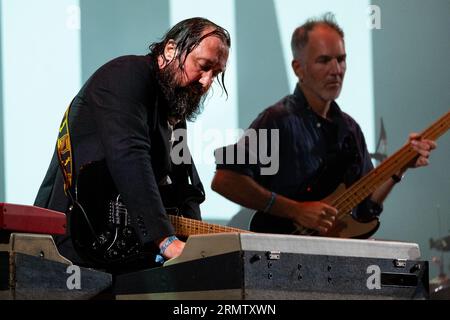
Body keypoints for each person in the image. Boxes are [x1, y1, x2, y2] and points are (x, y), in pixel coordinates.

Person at [211, 13, 436, 236]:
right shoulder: (276, 119)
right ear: (298, 68)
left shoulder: (350, 129)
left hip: (333, 259)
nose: (336, 70)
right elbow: (225, 179)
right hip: (281, 256)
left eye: (341, 59)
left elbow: (364, 208)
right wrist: (296, 211)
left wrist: (399, 169)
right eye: (324, 60)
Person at [34, 17, 230, 270]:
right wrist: (164, 240)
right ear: (171, 50)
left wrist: (200, 245)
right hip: (78, 245)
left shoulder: (173, 106)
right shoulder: (126, 74)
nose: (206, 82)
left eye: (216, 74)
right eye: (203, 66)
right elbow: (129, 155)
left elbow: (183, 185)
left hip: (124, 253)